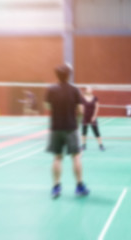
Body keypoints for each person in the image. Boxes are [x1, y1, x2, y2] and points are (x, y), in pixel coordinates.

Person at [45, 63, 89, 199]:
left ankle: (56, 187)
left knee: (57, 158)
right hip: (71, 128)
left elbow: (46, 106)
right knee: (76, 157)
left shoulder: (51, 89)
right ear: (69, 75)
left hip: (56, 128)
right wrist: (78, 122)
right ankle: (79, 186)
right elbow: (81, 110)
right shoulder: (75, 90)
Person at [81, 86, 105, 151]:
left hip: (92, 117)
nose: (90, 90)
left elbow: (96, 107)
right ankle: (83, 145)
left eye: (90, 89)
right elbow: (81, 107)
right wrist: (83, 115)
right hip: (85, 117)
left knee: (96, 131)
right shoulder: (82, 98)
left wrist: (94, 116)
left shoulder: (95, 98)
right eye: (88, 89)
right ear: (86, 90)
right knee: (84, 132)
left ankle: (101, 145)